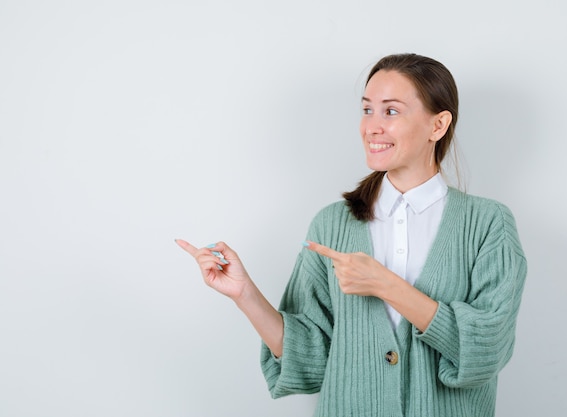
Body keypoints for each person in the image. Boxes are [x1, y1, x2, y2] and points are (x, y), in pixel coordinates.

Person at [175, 53, 527, 417]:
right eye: (367, 110)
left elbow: (488, 348)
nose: (372, 126)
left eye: (391, 112)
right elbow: (309, 354)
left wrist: (388, 286)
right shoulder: (332, 224)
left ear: (437, 125)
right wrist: (244, 293)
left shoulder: (488, 224)